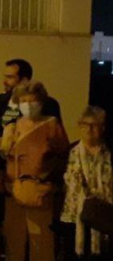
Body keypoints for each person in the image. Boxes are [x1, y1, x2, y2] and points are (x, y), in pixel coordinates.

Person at [0, 59, 62, 224]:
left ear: (24, 80)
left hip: (31, 178)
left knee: (32, 225)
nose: (5, 81)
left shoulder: (47, 104)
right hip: (0, 172)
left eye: (10, 77)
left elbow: (55, 141)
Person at [0, 80, 69, 261]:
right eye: (24, 101)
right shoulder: (13, 126)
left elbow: (64, 154)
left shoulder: (51, 125)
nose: (28, 105)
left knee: (41, 243)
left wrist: (50, 180)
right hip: (13, 191)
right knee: (14, 242)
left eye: (33, 101)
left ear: (41, 101)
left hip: (39, 192)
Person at [61, 106, 112, 260]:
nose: (89, 129)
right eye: (85, 125)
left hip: (104, 214)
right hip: (75, 213)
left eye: (94, 125)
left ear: (102, 128)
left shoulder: (109, 153)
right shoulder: (71, 151)